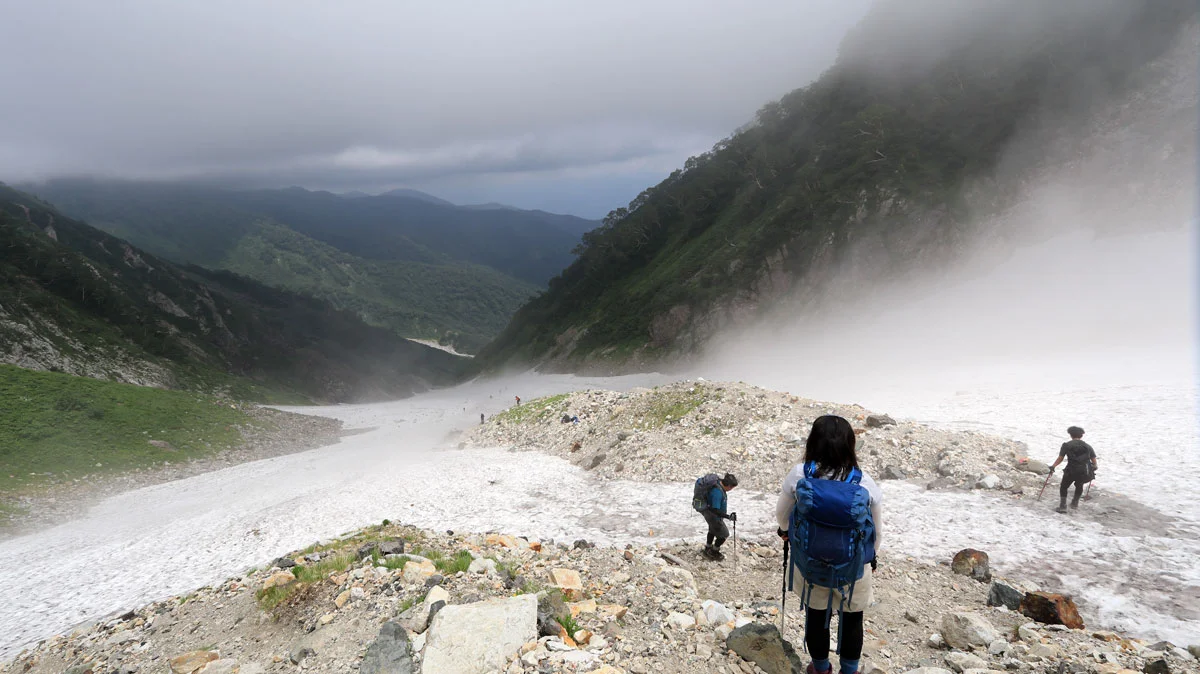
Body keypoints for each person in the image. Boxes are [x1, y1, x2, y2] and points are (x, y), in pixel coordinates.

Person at [776, 415, 882, 674]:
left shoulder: (800, 474)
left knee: (816, 615)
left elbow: (781, 515)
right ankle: (850, 670)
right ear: (850, 444)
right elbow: (877, 531)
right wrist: (871, 555)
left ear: (813, 442)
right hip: (854, 564)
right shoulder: (864, 481)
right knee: (853, 618)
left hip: (811, 562)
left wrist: (786, 531)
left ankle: (820, 668)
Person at [1050, 426, 1097, 513]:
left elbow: (1060, 458)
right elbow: (1094, 460)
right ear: (1081, 436)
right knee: (1079, 486)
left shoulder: (1066, 445)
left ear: (1071, 435)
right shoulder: (1087, 446)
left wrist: (1053, 466)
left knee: (1064, 487)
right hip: (1083, 471)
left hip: (1071, 470)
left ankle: (1063, 506)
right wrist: (1094, 467)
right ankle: (1075, 503)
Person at [701, 473, 738, 561]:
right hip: (713, 517)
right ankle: (714, 551)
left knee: (712, 530)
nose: (731, 489)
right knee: (724, 534)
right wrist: (728, 517)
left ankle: (708, 547)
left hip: (708, 514)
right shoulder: (717, 492)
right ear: (728, 485)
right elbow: (715, 510)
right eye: (732, 488)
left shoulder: (718, 484)